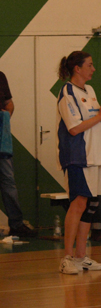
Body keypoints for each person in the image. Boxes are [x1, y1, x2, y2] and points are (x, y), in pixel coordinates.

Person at [56, 51, 101, 274]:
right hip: (78, 156)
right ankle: (67, 258)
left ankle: (81, 256)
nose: (93, 69)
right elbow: (73, 128)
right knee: (79, 203)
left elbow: (93, 121)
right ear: (77, 69)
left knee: (91, 206)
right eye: (90, 65)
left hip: (95, 155)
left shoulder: (89, 90)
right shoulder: (67, 91)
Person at [0, 71, 38, 238]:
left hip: (2, 141)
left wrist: (4, 119)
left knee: (9, 184)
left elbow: (9, 104)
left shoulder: (0, 76)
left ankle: (16, 224)